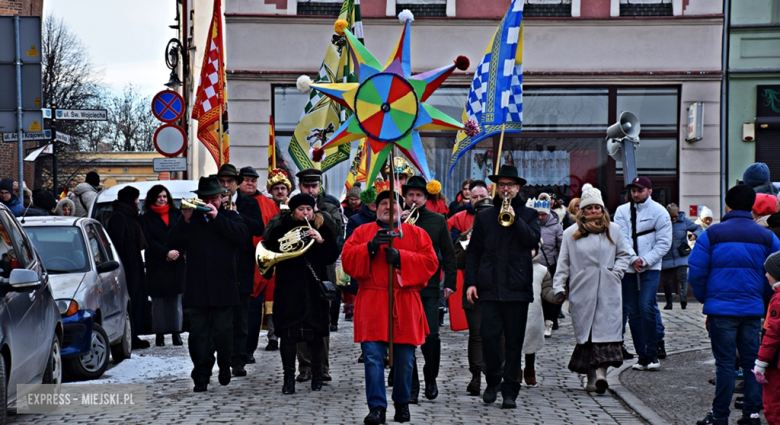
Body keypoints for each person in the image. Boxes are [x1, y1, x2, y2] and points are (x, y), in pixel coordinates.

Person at [342, 187, 439, 424]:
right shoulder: (362, 231)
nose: (388, 207)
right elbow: (347, 260)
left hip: (404, 301)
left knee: (405, 359)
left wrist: (402, 259)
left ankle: (402, 402)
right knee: (373, 356)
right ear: (376, 208)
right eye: (383, 203)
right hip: (372, 302)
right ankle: (376, 407)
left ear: (402, 208)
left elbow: (430, 263)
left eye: (393, 203)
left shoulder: (417, 234)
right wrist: (371, 247)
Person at [689, 184, 779, 425]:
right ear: (752, 207)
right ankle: (751, 414)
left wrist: (706, 298)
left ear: (727, 205)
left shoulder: (712, 234)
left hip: (721, 310)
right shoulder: (767, 236)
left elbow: (696, 272)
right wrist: (762, 299)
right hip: (751, 310)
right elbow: (775, 272)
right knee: (752, 362)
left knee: (725, 364)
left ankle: (719, 415)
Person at [465, 165, 542, 408]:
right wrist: (470, 283)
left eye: (510, 185)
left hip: (517, 287)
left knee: (513, 342)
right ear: (496, 188)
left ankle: (510, 389)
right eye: (502, 185)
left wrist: (514, 218)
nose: (505, 189)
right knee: (488, 337)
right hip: (488, 287)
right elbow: (474, 253)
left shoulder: (529, 214)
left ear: (518, 188)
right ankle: (492, 380)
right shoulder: (485, 216)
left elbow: (531, 240)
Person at [167, 176, 248, 392]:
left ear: (222, 198)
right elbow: (172, 241)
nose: (211, 202)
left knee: (223, 331)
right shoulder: (190, 220)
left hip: (224, 287)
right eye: (206, 199)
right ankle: (201, 375)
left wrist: (216, 218)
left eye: (215, 198)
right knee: (198, 336)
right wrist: (184, 220)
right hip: (198, 287)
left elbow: (241, 237)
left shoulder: (231, 217)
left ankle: (224, 364)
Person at [264, 168, 343, 383]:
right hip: (291, 283)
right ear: (300, 186)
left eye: (314, 185)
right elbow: (269, 238)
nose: (311, 188)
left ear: (319, 187)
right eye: (307, 185)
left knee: (319, 329)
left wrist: (319, 221)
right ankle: (303, 368)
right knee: (293, 329)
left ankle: (321, 368)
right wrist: (286, 218)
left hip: (318, 279)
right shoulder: (284, 217)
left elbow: (336, 233)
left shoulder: (330, 206)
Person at [553, 184, 632, 394]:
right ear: (582, 210)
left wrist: (616, 272)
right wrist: (559, 286)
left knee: (606, 336)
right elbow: (564, 263)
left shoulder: (613, 230)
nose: (594, 211)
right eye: (590, 208)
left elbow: (625, 254)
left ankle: (601, 375)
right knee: (587, 337)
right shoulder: (571, 233)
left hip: (608, 289)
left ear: (603, 209)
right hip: (583, 289)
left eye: (597, 207)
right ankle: (591, 378)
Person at [401, 175, 456, 402]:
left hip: (429, 286)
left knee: (431, 335)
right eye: (411, 195)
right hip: (403, 287)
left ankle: (430, 377)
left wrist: (450, 283)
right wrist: (399, 224)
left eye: (419, 196)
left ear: (426, 198)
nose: (415, 199)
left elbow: (449, 253)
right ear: (404, 198)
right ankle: (411, 384)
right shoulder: (397, 220)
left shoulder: (437, 220)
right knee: (406, 339)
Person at [613, 176, 672, 371]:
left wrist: (645, 260)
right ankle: (642, 355)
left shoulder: (659, 212)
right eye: (633, 191)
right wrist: (632, 259)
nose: (636, 194)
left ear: (649, 191)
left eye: (640, 190)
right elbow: (621, 238)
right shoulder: (622, 211)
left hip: (651, 267)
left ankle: (653, 352)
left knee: (646, 306)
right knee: (633, 311)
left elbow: (664, 242)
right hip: (629, 267)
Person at [213, 163, 265, 378]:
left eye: (230, 182)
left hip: (242, 265)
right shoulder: (212, 202)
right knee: (221, 319)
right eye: (222, 182)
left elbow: (258, 227)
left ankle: (239, 360)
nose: (226, 186)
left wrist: (235, 215)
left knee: (241, 318)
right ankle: (222, 358)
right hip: (220, 267)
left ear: (237, 184)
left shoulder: (249, 203)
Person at [452, 196, 493, 396]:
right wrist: (468, 245)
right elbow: (457, 263)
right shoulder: (465, 236)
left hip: (496, 291)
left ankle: (496, 374)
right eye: (481, 213)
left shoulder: (502, 234)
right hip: (473, 290)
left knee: (498, 335)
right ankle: (476, 375)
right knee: (476, 335)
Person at [240, 166, 281, 362]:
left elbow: (275, 231)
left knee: (255, 309)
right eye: (246, 179)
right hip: (236, 262)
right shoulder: (231, 202)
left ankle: (249, 349)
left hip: (260, 263)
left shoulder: (268, 203)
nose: (250, 183)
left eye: (253, 180)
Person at [141, 185, 185, 347]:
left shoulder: (177, 214)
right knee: (159, 303)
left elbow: (184, 235)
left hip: (176, 264)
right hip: (158, 263)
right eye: (159, 196)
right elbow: (148, 240)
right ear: (153, 198)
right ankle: (160, 334)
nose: (162, 199)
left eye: (165, 196)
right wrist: (166, 252)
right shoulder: (146, 218)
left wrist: (178, 252)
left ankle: (176, 333)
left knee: (175, 301)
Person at [106, 186, 149, 349]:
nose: (138, 202)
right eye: (137, 198)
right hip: (127, 266)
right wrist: (123, 267)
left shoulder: (128, 215)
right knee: (130, 299)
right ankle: (130, 335)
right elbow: (119, 243)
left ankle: (134, 334)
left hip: (134, 263)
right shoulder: (119, 217)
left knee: (136, 299)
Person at [260, 168, 292, 352]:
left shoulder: (293, 207)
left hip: (289, 259)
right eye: (276, 188)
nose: (280, 191)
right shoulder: (266, 207)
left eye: (282, 188)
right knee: (270, 299)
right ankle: (273, 336)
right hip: (272, 257)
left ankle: (287, 332)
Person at [532, 193, 563, 338]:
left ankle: (549, 322)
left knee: (548, 295)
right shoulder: (531, 225)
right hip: (533, 265)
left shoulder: (556, 227)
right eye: (538, 214)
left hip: (550, 266)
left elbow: (561, 246)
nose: (540, 217)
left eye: (543, 215)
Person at [661, 203, 702, 310]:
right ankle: (669, 302)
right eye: (671, 217)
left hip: (681, 254)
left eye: (675, 216)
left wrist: (694, 235)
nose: (674, 219)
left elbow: (698, 228)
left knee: (682, 278)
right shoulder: (661, 221)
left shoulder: (684, 221)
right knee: (666, 281)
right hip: (667, 255)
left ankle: (683, 300)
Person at [756, 251, 780, 425]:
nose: (766, 275)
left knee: (773, 406)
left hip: (776, 361)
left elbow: (772, 333)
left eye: (768, 271)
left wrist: (761, 362)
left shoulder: (777, 299)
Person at [521, 246, 550, 388]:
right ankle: (515, 371)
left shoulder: (542, 270)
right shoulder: (514, 266)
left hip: (534, 312)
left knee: (531, 342)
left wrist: (555, 297)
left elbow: (547, 290)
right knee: (515, 342)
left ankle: (530, 371)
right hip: (518, 310)